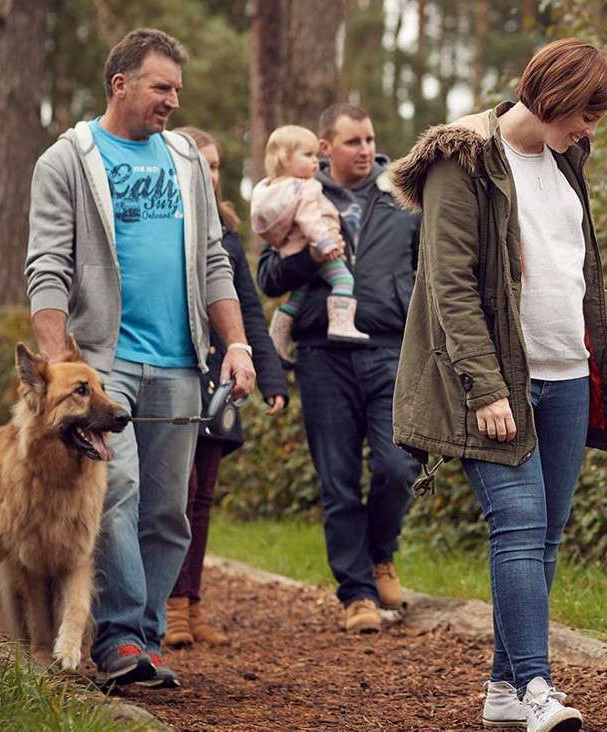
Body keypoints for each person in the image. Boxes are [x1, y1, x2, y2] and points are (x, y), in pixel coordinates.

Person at [389, 38, 607, 732]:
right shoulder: (462, 162)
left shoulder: (564, 162)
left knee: (544, 537)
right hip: (498, 388)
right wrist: (486, 388)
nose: (591, 130)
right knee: (518, 528)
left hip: (569, 378)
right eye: (587, 113)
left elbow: (575, 281)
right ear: (553, 97)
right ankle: (538, 689)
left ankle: (502, 688)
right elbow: (450, 289)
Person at [25, 28, 256, 691]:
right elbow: (46, 266)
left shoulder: (185, 160)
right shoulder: (67, 160)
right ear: (121, 83)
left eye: (177, 90)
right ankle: (122, 638)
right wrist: (54, 367)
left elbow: (214, 260)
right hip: (106, 363)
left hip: (182, 362)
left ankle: (145, 639)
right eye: (162, 88)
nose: (172, 103)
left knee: (166, 512)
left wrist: (235, 344)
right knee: (116, 494)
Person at [257, 103, 420, 634]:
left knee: (398, 466)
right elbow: (268, 275)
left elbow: (428, 266)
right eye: (353, 141)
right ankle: (356, 594)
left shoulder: (402, 193)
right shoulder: (294, 190)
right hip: (322, 354)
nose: (366, 150)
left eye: (370, 139)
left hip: (389, 346)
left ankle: (381, 555)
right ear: (325, 149)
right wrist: (319, 256)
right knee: (338, 480)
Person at [163, 126, 289, 649]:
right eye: (199, 164)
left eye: (215, 167)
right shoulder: (163, 226)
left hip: (219, 379)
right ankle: (165, 605)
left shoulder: (229, 235)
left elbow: (248, 313)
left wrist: (271, 374)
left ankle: (191, 604)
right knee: (176, 493)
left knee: (203, 496)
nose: (209, 175)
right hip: (172, 376)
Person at [253, 124, 371, 363]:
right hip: (319, 247)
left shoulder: (270, 188)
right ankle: (341, 323)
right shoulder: (305, 188)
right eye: (308, 156)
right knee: (343, 280)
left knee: (299, 294)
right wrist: (326, 244)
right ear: (285, 159)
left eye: (316, 156)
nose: (316, 162)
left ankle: (277, 333)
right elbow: (309, 220)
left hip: (290, 250)